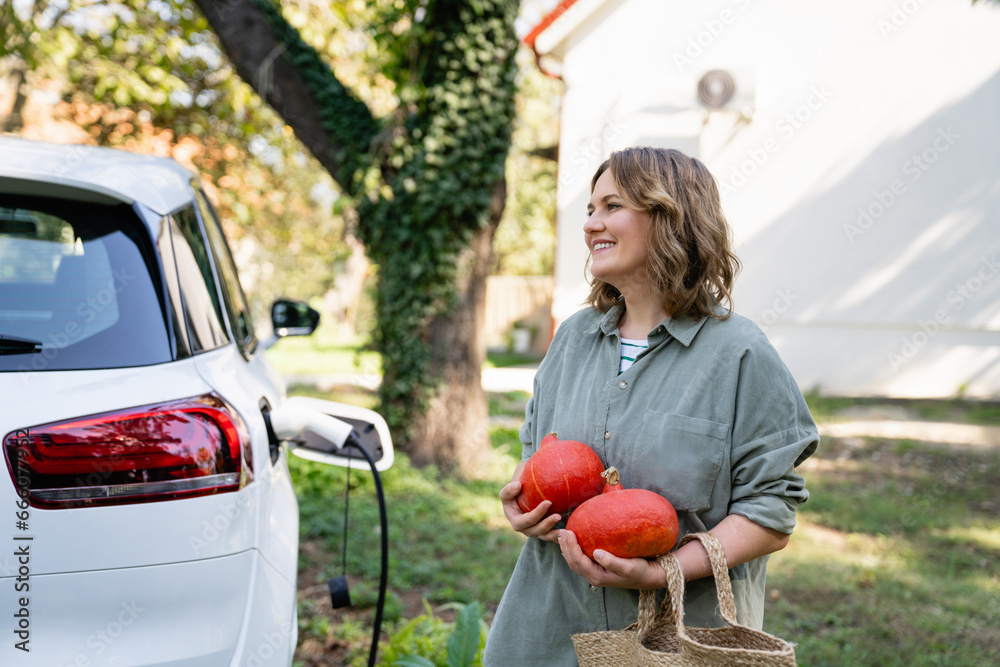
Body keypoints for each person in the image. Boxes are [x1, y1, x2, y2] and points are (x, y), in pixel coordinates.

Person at [482, 146, 819, 666]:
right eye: (590, 210)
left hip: (675, 645)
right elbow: (536, 463)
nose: (592, 224)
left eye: (612, 206)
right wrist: (523, 505)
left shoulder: (739, 354)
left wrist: (666, 570)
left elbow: (771, 511)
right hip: (548, 633)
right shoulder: (572, 339)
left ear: (670, 218)